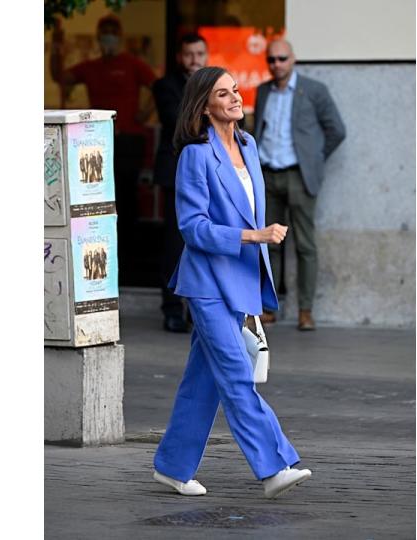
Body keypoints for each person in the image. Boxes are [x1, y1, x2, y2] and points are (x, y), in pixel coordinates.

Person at [152, 67, 312, 499]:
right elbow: (193, 227)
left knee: (203, 380)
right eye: (223, 94)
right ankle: (274, 466)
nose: (235, 98)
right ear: (205, 106)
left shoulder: (249, 144)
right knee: (236, 375)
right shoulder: (196, 155)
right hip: (205, 283)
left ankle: (172, 465)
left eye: (236, 90)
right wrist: (252, 236)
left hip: (240, 280)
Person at [49, 15, 157, 274]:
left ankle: (128, 264)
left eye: (112, 30)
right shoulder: (91, 67)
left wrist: (145, 113)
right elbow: (60, 78)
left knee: (127, 201)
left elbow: (158, 87)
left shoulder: (133, 64)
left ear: (119, 35)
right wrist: (55, 48)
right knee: (97, 201)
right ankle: (100, 259)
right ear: (98, 36)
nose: (108, 35)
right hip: (94, 142)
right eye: (104, 31)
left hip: (128, 140)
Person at [253, 39, 346, 331]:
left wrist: (314, 161)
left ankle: (306, 310)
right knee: (270, 244)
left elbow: (337, 130)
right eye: (271, 59)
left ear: (293, 58)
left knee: (305, 245)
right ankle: (269, 307)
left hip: (299, 175)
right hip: (268, 175)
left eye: (282, 58)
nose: (276, 64)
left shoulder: (314, 90)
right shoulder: (262, 91)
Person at [152, 33, 209, 333]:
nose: (195, 60)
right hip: (175, 173)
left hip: (208, 175)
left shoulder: (216, 85)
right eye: (189, 54)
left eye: (200, 53)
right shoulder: (166, 86)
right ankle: (172, 308)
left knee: (204, 242)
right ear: (180, 57)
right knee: (174, 243)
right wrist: (202, 94)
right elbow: (181, 121)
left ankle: (196, 307)